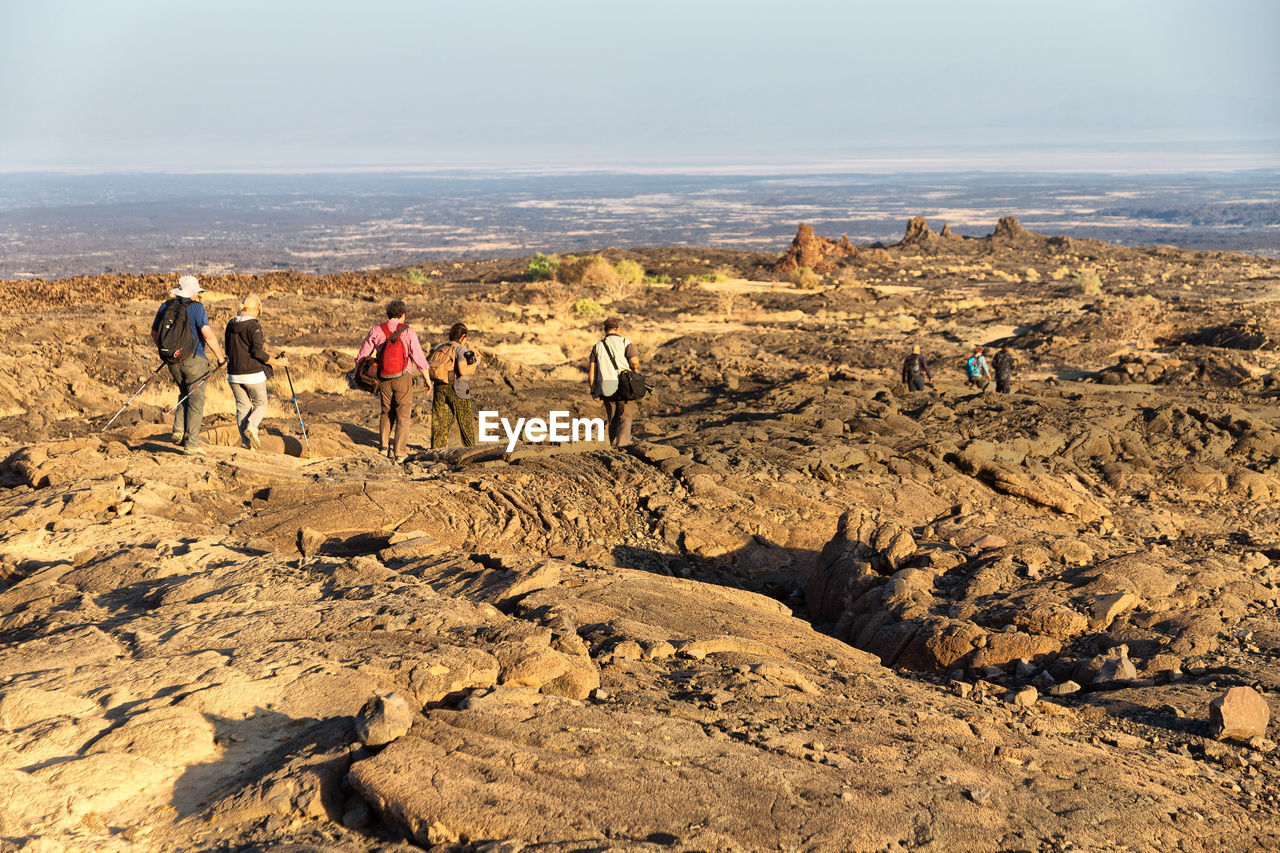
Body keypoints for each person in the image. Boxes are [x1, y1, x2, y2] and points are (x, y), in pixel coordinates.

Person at [151, 274, 226, 455]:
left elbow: (154, 333)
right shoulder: (197, 308)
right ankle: (192, 443)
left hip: (172, 361)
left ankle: (178, 430)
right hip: (194, 360)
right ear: (193, 292)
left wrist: (168, 352)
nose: (198, 296)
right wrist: (220, 357)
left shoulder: (166, 306)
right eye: (197, 293)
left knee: (185, 392)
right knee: (196, 399)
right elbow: (207, 334)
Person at [356, 299, 430, 463]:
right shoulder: (408, 332)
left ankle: (383, 447)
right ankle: (399, 453)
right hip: (403, 377)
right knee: (403, 415)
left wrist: (363, 374)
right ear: (403, 314)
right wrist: (427, 380)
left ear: (388, 314)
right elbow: (419, 358)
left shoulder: (376, 330)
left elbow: (361, 357)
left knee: (386, 412)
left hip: (383, 377)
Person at [224, 293, 285, 449]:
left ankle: (246, 442)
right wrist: (277, 362)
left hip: (234, 375)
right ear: (257, 308)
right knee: (261, 402)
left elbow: (228, 349)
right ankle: (251, 427)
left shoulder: (231, 324)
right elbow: (257, 352)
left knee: (242, 407)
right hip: (252, 374)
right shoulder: (253, 326)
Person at [587, 317, 640, 447]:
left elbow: (592, 372)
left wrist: (593, 390)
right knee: (625, 416)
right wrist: (634, 370)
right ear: (618, 328)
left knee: (612, 418)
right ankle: (622, 446)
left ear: (605, 330)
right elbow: (634, 362)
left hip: (606, 386)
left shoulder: (597, 346)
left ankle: (612, 443)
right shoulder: (625, 342)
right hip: (624, 385)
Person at [429, 323, 479, 449]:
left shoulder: (441, 347)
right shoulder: (461, 349)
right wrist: (477, 362)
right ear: (463, 336)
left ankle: (436, 450)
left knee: (439, 421)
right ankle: (470, 450)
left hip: (440, 387)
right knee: (465, 421)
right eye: (466, 338)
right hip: (458, 388)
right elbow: (463, 371)